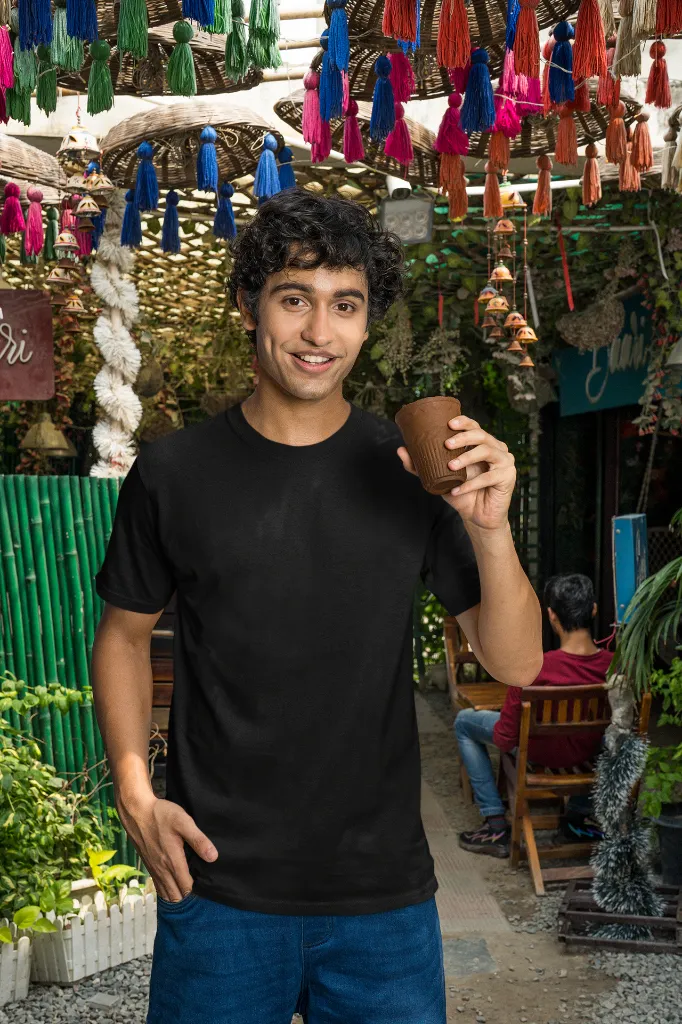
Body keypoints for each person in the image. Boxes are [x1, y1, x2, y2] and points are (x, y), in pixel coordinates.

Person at [91, 189, 542, 1024]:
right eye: (294, 299)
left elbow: (515, 664)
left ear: (368, 322)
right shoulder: (174, 473)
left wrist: (491, 529)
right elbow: (121, 635)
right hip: (218, 886)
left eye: (346, 306)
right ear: (248, 306)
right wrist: (133, 792)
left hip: (382, 900)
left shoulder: (410, 469)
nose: (318, 333)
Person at [456, 573, 612, 859]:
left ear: (551, 616)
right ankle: (575, 821)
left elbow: (504, 739)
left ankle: (495, 824)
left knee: (464, 722)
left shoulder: (532, 669)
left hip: (539, 757)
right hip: (586, 758)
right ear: (593, 610)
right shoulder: (615, 667)